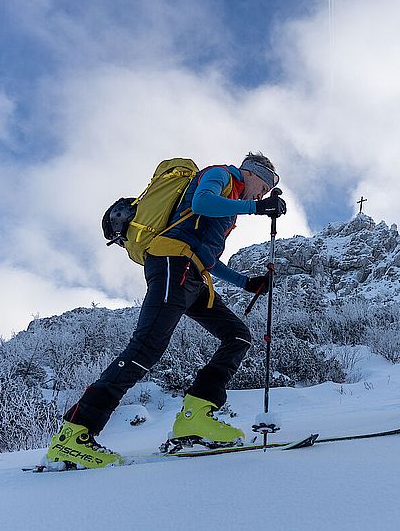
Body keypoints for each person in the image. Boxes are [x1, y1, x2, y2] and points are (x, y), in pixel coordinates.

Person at [44, 153, 287, 469]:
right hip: (174, 263)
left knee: (237, 336)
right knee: (145, 348)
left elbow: (208, 257)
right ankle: (74, 435)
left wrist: (246, 283)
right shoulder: (221, 175)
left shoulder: (231, 204)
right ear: (253, 174)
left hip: (193, 273)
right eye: (264, 187)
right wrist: (256, 208)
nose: (262, 194)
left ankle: (195, 418)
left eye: (266, 193)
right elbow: (202, 203)